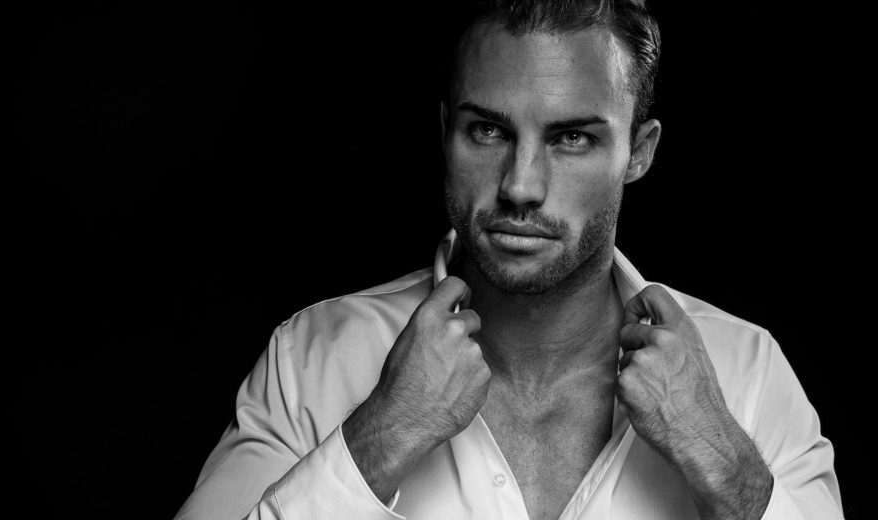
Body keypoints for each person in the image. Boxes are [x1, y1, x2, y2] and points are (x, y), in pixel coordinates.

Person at [174, 1, 843, 519]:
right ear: (446, 133)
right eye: (488, 131)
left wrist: (724, 463)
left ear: (639, 152)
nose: (521, 186)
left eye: (571, 138)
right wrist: (380, 437)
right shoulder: (312, 361)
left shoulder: (747, 373)